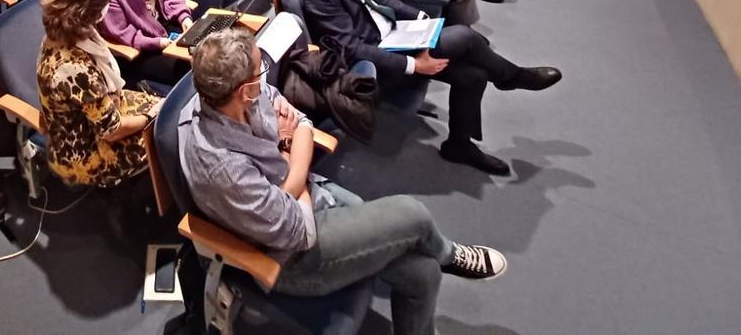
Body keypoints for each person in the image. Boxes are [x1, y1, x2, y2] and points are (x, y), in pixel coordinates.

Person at [180, 28, 509, 334]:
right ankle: (449, 255)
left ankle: (439, 261)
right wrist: (293, 159)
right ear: (244, 90)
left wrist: (290, 168)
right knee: (413, 213)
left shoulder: (232, 93)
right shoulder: (222, 167)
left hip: (311, 195)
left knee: (422, 274)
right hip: (290, 259)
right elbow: (301, 232)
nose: (265, 75)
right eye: (260, 69)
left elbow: (301, 120)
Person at [300, 0, 561, 175]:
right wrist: (415, 65)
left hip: (395, 36)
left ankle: (459, 146)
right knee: (465, 37)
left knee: (473, 76)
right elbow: (352, 48)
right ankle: (513, 77)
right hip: (378, 59)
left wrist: (421, 19)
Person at [37, 0, 161, 188]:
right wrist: (150, 117)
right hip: (86, 152)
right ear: (88, 10)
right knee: (163, 131)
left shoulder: (67, 30)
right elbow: (111, 131)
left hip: (101, 112)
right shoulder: (74, 69)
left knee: (166, 108)